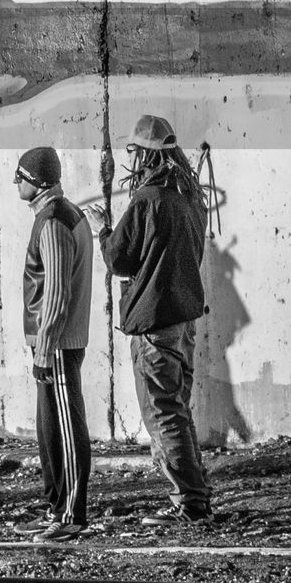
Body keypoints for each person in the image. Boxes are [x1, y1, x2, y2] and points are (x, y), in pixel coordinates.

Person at [90, 115, 212, 526]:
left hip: (155, 324)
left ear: (142, 154)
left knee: (163, 414)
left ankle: (190, 503)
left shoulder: (147, 200)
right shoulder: (193, 199)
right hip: (184, 323)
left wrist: (102, 231)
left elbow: (119, 259)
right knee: (178, 410)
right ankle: (193, 494)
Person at [13, 147, 93, 544]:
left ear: (39, 183)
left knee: (64, 429)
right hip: (53, 343)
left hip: (57, 344)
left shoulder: (54, 222)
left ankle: (71, 515)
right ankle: (56, 508)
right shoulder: (59, 214)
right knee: (50, 431)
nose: (16, 182)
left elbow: (57, 294)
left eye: (21, 176)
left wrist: (45, 349)